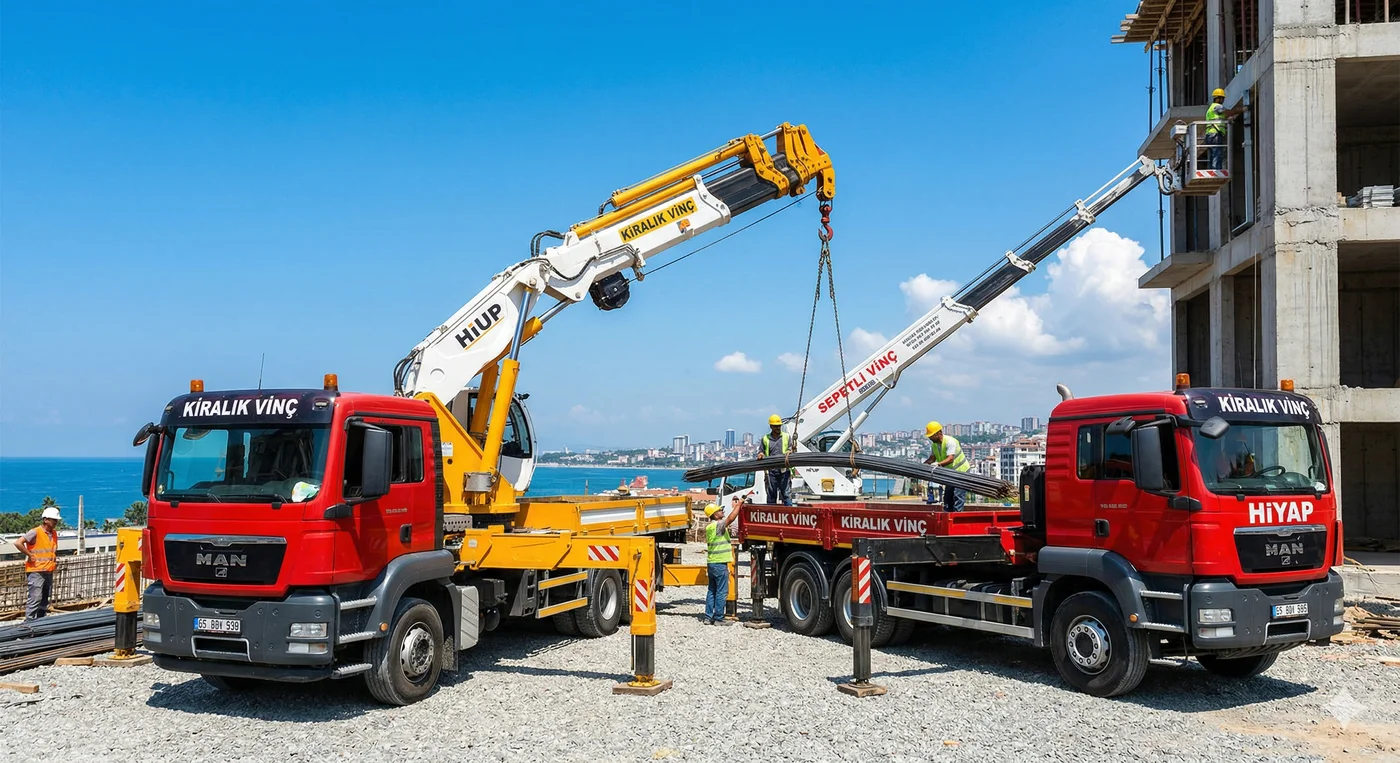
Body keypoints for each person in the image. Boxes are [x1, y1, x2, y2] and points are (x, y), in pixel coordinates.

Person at [14, 507, 61, 620]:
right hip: (36, 571)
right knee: (35, 598)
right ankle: (29, 623)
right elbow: (18, 543)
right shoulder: (35, 532)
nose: (56, 522)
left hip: (48, 570)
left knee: (44, 599)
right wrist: (30, 555)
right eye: (53, 520)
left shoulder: (53, 534)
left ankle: (40, 621)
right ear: (45, 520)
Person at [703, 501, 739, 625]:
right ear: (715, 514)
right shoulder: (718, 525)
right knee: (721, 591)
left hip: (712, 563)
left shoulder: (709, 527)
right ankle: (719, 618)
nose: (722, 511)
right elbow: (731, 518)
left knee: (712, 590)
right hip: (719, 564)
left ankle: (708, 617)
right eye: (720, 510)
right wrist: (739, 504)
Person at [922, 421, 970, 512]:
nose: (930, 438)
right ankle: (948, 515)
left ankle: (956, 517)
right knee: (948, 497)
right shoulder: (935, 445)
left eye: (932, 435)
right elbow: (932, 458)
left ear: (939, 432)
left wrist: (938, 464)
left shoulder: (950, 441)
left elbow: (950, 459)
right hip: (950, 473)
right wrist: (923, 466)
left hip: (961, 472)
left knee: (958, 495)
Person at [759, 414, 798, 506]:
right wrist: (761, 454)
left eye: (779, 426)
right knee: (771, 495)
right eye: (776, 426)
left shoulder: (786, 437)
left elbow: (791, 449)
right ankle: (772, 514)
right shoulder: (765, 439)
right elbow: (761, 451)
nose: (778, 428)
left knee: (786, 494)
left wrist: (790, 451)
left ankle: (789, 513)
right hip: (771, 471)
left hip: (784, 470)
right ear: (771, 426)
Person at [1204, 88, 1246, 171]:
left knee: (1212, 155)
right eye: (1222, 98)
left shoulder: (1211, 108)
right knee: (1217, 154)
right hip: (1215, 134)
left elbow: (1223, 116)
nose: (1223, 100)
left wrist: (1228, 119)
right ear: (1218, 98)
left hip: (1210, 135)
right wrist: (1242, 109)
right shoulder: (1217, 106)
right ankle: (1216, 172)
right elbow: (1227, 112)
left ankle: (1212, 171)